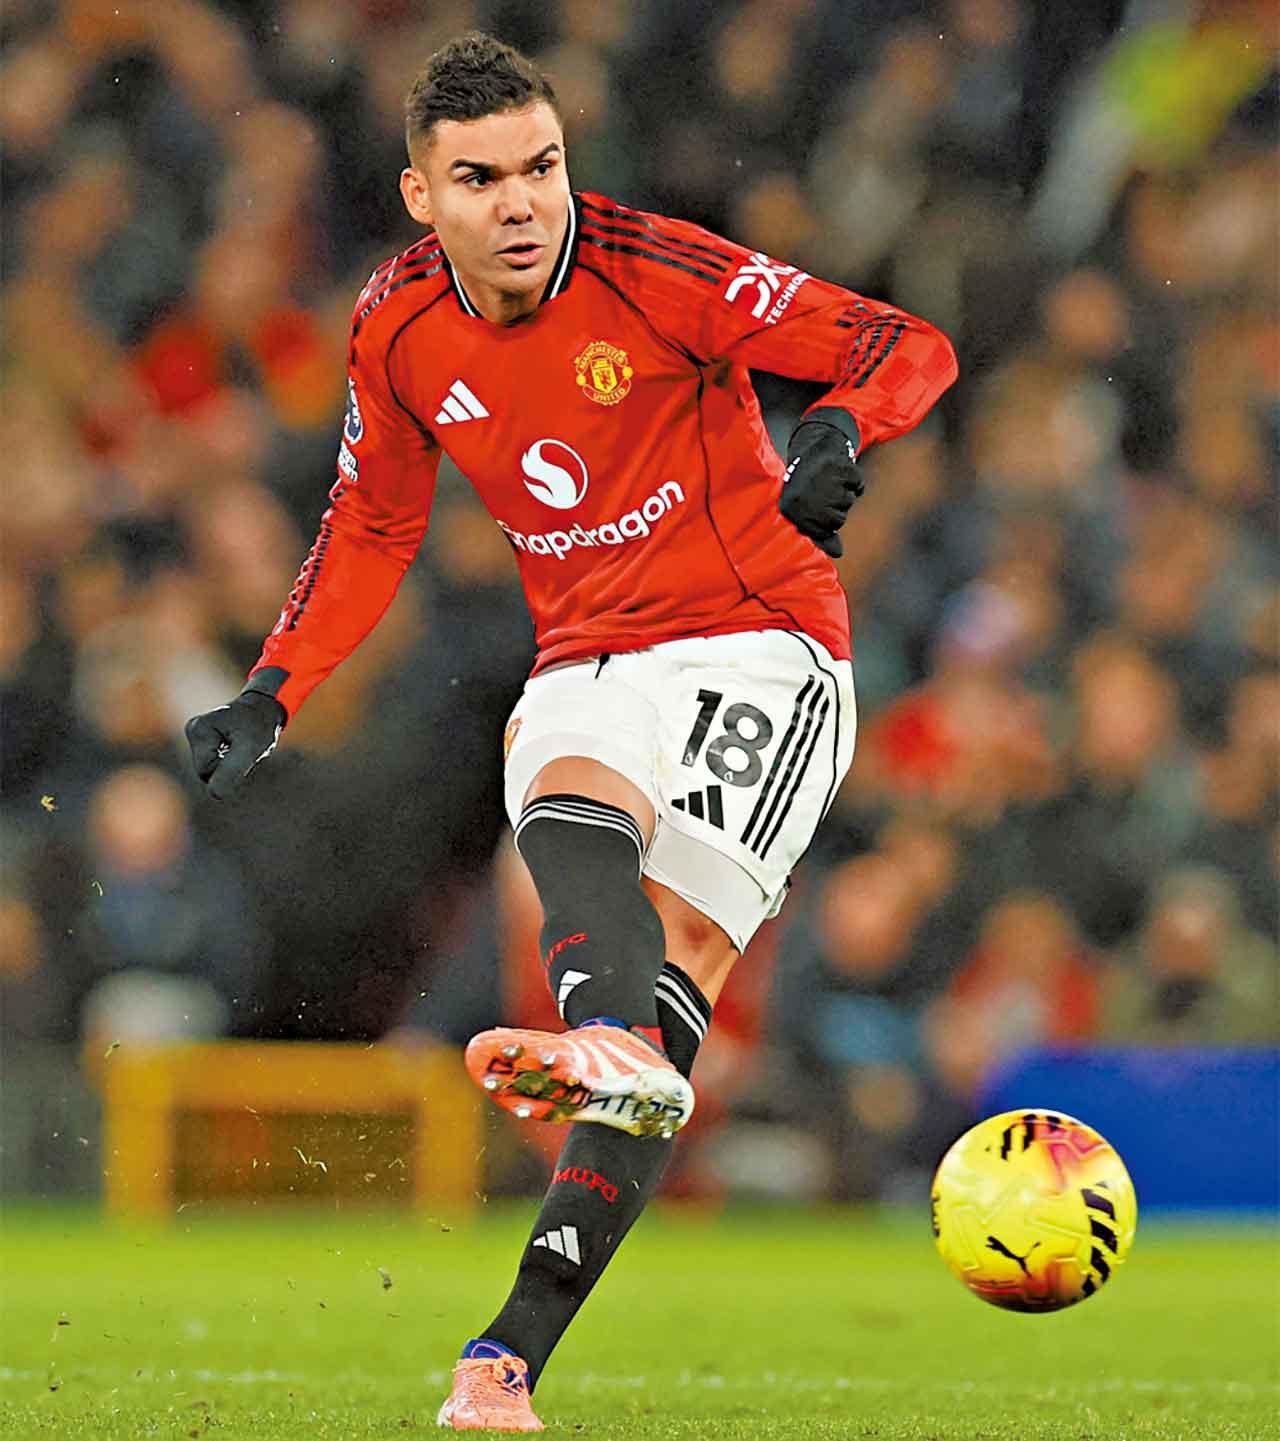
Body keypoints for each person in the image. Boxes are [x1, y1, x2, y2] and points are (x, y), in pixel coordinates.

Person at [184, 32, 956, 1432]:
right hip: (588, 651)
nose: (522, 202)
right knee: (564, 803)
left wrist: (841, 428)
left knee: (684, 959)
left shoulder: (654, 269)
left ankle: (510, 1345)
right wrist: (273, 687)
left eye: (540, 166)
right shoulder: (395, 324)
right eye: (480, 178)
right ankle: (604, 1060)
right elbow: (373, 520)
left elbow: (906, 342)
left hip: (760, 642)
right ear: (423, 196)